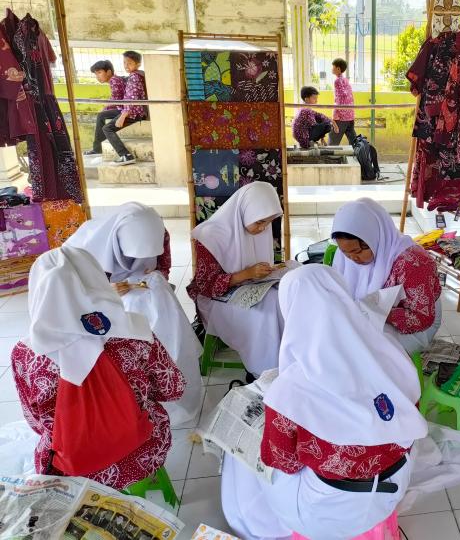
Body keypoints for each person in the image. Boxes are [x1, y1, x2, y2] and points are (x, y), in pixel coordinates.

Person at [221, 265, 427, 540]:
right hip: (391, 488)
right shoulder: (394, 358)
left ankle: (253, 525)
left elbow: (282, 461)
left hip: (326, 511)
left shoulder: (290, 391)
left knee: (244, 458)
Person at [11, 246, 184, 489]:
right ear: (98, 280)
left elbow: (35, 421)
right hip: (141, 449)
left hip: (70, 467)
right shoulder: (134, 331)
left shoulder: (26, 354)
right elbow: (172, 389)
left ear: (39, 291)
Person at [65, 202, 202, 426]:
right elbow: (70, 293)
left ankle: (170, 395)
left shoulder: (159, 232)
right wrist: (105, 291)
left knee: (168, 342)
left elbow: (163, 265)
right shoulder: (83, 247)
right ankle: (134, 407)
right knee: (128, 358)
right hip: (104, 310)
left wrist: (156, 275)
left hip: (147, 297)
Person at [187, 182, 284, 376]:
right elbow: (206, 287)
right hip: (215, 299)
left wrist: (270, 271)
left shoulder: (259, 228)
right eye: (260, 221)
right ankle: (263, 370)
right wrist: (246, 274)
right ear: (244, 212)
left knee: (283, 299)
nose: (264, 227)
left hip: (250, 286)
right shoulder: (210, 236)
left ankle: (283, 358)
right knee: (265, 315)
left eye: (269, 221)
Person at [331, 198, 442, 354]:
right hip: (378, 314)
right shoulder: (345, 254)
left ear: (375, 239)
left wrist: (380, 311)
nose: (352, 259)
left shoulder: (413, 264)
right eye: (345, 253)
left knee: (365, 353)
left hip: (419, 322)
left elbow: (422, 318)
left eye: (357, 252)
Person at [106, 51, 149, 166]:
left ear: (138, 64)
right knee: (106, 121)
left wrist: (123, 116)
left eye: (129, 63)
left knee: (107, 129)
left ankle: (125, 155)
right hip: (135, 111)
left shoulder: (134, 77)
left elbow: (132, 98)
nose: (126, 66)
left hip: (134, 113)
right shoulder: (138, 75)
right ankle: (124, 155)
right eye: (124, 63)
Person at [84, 60, 125, 158]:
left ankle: (97, 149)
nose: (97, 76)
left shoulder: (114, 80)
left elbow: (116, 100)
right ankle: (97, 148)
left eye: (99, 72)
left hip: (123, 109)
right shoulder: (114, 80)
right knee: (102, 114)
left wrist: (105, 108)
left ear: (109, 72)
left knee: (101, 115)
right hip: (122, 107)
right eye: (96, 74)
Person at [330, 58, 357, 146]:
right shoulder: (345, 80)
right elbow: (349, 96)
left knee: (332, 142)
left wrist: (335, 114)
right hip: (350, 115)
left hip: (341, 117)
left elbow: (340, 97)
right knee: (354, 143)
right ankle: (359, 157)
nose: (332, 68)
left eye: (333, 67)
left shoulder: (337, 81)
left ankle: (330, 160)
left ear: (338, 69)